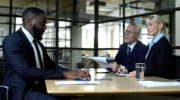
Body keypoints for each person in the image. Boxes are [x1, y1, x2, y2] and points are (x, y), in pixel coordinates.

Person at [0, 7, 91, 100]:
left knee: (68, 96)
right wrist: (64, 74)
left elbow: (50, 65)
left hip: (40, 87)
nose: (45, 27)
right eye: (42, 23)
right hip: (20, 91)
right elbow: (25, 71)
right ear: (29, 21)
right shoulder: (12, 40)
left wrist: (73, 72)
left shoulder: (38, 44)